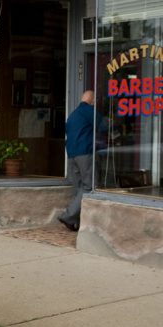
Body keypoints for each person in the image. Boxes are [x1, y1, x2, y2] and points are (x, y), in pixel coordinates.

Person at [58, 90, 102, 231]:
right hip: (84, 152)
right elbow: (105, 126)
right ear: (93, 101)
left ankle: (76, 222)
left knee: (79, 189)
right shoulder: (89, 110)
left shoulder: (73, 114)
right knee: (89, 187)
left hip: (71, 154)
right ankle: (68, 216)